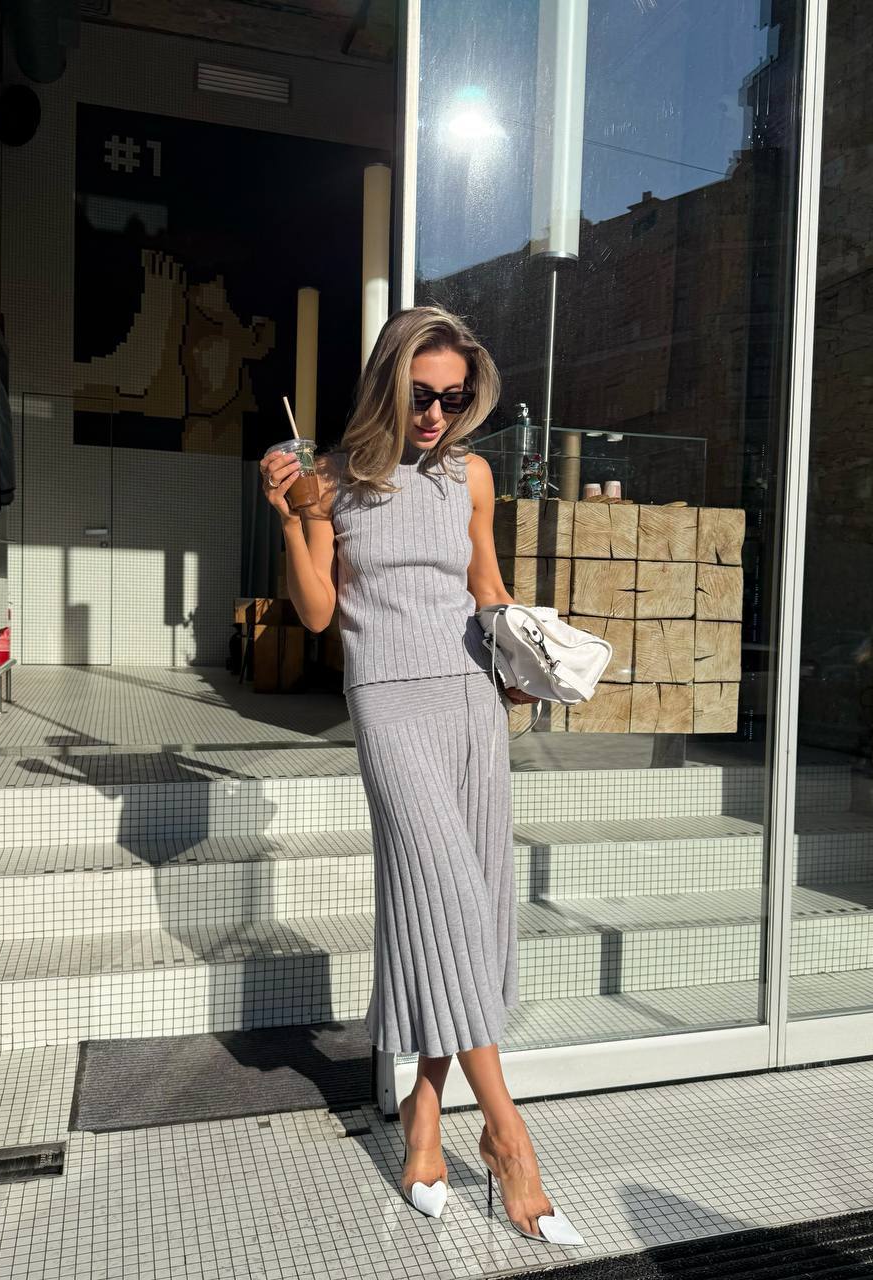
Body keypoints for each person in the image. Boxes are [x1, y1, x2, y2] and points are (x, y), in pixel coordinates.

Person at [259, 306, 584, 1246]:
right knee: (442, 895)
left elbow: (485, 585)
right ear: (387, 386)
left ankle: (424, 1118)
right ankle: (512, 1139)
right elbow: (319, 613)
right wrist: (292, 522)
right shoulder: (333, 481)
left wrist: (525, 656)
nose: (436, 412)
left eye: (452, 395)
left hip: (472, 703)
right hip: (389, 704)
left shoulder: (472, 477)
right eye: (420, 393)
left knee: (461, 911)